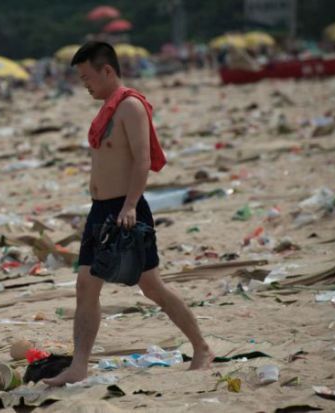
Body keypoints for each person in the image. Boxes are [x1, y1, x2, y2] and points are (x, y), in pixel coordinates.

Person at [43, 42, 214, 387]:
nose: (84, 84)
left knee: (152, 287)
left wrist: (131, 206)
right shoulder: (106, 109)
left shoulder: (130, 107)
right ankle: (79, 366)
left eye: (87, 76)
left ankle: (202, 348)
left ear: (107, 70)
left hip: (126, 210)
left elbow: (141, 160)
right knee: (85, 287)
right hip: (101, 211)